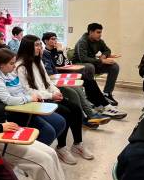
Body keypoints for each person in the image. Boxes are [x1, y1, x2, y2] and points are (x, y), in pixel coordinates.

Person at [15, 35, 92, 163]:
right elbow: (28, 91)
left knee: (76, 109)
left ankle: (78, 144)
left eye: (40, 44)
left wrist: (56, 91)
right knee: (65, 113)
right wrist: (51, 96)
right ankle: (61, 147)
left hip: (49, 96)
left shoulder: (37, 61)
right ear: (27, 47)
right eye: (36, 45)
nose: (40, 47)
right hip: (38, 100)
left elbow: (48, 81)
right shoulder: (20, 66)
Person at [0, 48, 67, 147]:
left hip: (28, 106)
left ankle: (41, 148)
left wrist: (35, 96)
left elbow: (24, 89)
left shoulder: (11, 73)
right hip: (17, 113)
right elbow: (9, 100)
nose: (14, 66)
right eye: (11, 63)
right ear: (1, 65)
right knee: (48, 132)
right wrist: (30, 98)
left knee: (60, 122)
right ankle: (32, 153)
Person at [73, 23, 121, 105]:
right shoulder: (82, 42)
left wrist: (104, 55)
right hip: (79, 65)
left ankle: (107, 93)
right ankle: (91, 96)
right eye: (98, 32)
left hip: (93, 63)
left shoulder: (99, 41)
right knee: (90, 67)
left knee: (114, 66)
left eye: (101, 32)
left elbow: (107, 50)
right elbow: (83, 58)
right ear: (91, 32)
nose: (100, 35)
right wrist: (101, 61)